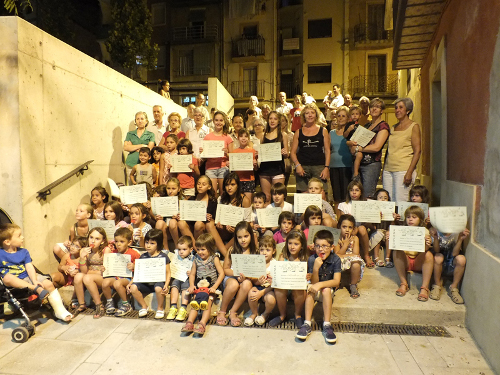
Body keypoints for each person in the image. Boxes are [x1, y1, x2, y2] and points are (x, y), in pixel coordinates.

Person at [0, 224, 73, 321]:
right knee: (7, 277)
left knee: (48, 283)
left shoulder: (24, 252)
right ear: (7, 242)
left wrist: (34, 280)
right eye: (19, 236)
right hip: (13, 282)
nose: (22, 237)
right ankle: (35, 289)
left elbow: (29, 267)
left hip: (27, 277)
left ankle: (60, 311)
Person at [296, 229, 341, 343]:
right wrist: (315, 268)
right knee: (311, 289)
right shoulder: (312, 259)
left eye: (325, 246)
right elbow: (314, 283)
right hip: (315, 288)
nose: (321, 249)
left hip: (327, 290)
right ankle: (307, 324)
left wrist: (321, 284)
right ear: (314, 247)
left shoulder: (336, 259)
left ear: (331, 247)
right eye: (318, 246)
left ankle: (327, 325)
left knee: (326, 290)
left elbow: (336, 281)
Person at [181, 233, 224, 335]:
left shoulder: (214, 258)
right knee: (196, 302)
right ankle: (190, 322)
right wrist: (192, 285)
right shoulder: (196, 259)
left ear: (210, 248)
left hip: (210, 287)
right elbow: (192, 274)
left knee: (207, 303)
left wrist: (214, 287)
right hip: (199, 286)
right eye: (198, 249)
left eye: (203, 249)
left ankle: (202, 323)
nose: (200, 252)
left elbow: (221, 273)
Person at [387, 206, 433, 301]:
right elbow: (395, 245)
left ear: (420, 219)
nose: (410, 219)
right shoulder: (401, 230)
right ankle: (404, 283)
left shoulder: (424, 231)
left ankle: (424, 288)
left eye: (414, 217)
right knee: (396, 251)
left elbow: (424, 250)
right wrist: (390, 238)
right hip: (405, 261)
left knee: (429, 254)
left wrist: (427, 244)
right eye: (408, 217)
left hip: (418, 261)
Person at [217, 221, 258, 327]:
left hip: (247, 279)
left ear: (251, 236)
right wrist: (236, 274)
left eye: (246, 236)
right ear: (236, 238)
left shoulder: (255, 251)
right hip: (231, 277)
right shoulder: (232, 250)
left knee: (247, 283)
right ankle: (222, 310)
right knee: (234, 284)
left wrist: (247, 276)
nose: (243, 240)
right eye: (240, 237)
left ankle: (233, 312)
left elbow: (256, 272)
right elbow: (226, 269)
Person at [348, 98, 389, 198]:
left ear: (382, 110)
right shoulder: (367, 125)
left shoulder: (383, 126)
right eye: (372, 106)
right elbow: (354, 142)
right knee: (356, 196)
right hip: (358, 163)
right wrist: (353, 147)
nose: (374, 109)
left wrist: (359, 148)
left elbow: (376, 147)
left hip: (371, 165)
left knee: (367, 195)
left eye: (377, 107)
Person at [383, 98, 422, 203]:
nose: (397, 110)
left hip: (403, 170)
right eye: (396, 108)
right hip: (388, 169)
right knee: (387, 203)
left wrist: (409, 172)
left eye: (401, 107)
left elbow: (417, 151)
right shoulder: (393, 127)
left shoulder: (414, 127)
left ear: (408, 110)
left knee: (401, 202)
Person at [127, 229, 171, 319]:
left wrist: (166, 285)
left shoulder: (163, 257)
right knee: (134, 288)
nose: (148, 246)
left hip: (158, 282)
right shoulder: (143, 256)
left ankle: (160, 308)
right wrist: (131, 283)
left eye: (152, 243)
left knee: (159, 288)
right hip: (145, 283)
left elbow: (168, 273)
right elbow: (139, 273)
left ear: (158, 244)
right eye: (147, 242)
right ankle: (144, 306)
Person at [269, 230, 308, 327]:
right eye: (290, 243)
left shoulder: (304, 260)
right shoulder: (283, 257)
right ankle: (282, 315)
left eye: (296, 244)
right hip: (285, 287)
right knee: (278, 289)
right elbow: (278, 273)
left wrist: (308, 276)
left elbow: (308, 277)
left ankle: (297, 315)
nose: (292, 246)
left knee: (301, 290)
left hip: (297, 288)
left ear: (302, 246)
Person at [291, 103, 331, 193]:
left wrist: (326, 167)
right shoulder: (298, 132)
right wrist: (297, 165)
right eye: (307, 113)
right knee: (303, 194)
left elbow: (328, 151)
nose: (310, 115)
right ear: (303, 116)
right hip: (303, 167)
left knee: (321, 193)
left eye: (312, 113)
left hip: (319, 167)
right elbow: (293, 152)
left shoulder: (323, 131)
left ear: (316, 115)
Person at [73, 227, 113, 318]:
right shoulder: (84, 251)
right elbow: (83, 271)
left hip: (103, 278)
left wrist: (90, 272)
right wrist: (82, 258)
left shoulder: (105, 250)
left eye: (97, 239)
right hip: (90, 277)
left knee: (87, 277)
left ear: (102, 241)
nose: (93, 241)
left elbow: (106, 272)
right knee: (78, 276)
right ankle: (81, 304)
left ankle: (99, 305)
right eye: (91, 237)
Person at [102, 228, 141, 317]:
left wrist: (134, 266)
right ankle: (109, 302)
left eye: (122, 242)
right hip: (116, 276)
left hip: (128, 278)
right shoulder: (113, 253)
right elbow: (109, 267)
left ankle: (126, 304)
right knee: (105, 282)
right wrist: (104, 268)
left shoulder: (134, 253)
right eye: (116, 241)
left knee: (117, 283)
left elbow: (140, 269)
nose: (118, 244)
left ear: (129, 242)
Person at [337, 180, 373, 268]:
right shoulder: (343, 205)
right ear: (348, 192)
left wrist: (374, 215)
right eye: (351, 190)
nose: (354, 193)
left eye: (357, 190)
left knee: (361, 228)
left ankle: (366, 255)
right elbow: (341, 222)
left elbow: (369, 224)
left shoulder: (367, 203)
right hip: (348, 230)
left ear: (361, 192)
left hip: (362, 229)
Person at [429, 228, 469, 304]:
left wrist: (460, 239)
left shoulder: (456, 233)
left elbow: (455, 254)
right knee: (438, 257)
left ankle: (454, 287)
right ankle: (437, 284)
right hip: (439, 262)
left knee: (461, 259)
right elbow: (437, 250)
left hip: (451, 261)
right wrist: (435, 238)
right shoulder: (435, 231)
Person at [245, 235, 277, 326]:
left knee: (271, 299)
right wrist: (258, 281)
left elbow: (274, 284)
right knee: (251, 293)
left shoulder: (275, 264)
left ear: (273, 251)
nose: (264, 253)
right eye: (262, 250)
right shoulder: (257, 262)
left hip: (269, 289)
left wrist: (261, 293)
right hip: (258, 286)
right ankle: (254, 313)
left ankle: (266, 314)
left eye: (268, 250)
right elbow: (254, 281)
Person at [258, 111, 288, 203]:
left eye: (275, 119)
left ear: (278, 121)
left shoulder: (283, 135)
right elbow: (261, 152)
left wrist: (285, 152)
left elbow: (287, 154)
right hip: (264, 170)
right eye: (270, 118)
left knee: (277, 197)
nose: (272, 121)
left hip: (278, 169)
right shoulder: (263, 135)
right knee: (266, 198)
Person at [201, 111, 233, 197]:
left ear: (224, 122)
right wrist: (202, 153)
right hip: (210, 168)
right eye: (216, 120)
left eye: (221, 120)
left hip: (223, 168)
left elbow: (232, 157)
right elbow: (204, 158)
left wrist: (227, 153)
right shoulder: (208, 137)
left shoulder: (228, 137)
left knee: (224, 193)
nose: (218, 122)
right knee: (213, 194)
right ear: (213, 121)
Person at [335, 214, 365, 299]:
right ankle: (335, 284)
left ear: (354, 228)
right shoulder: (337, 238)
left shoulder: (355, 238)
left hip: (351, 261)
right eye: (344, 227)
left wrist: (343, 254)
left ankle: (353, 285)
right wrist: (345, 245)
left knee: (356, 263)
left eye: (350, 227)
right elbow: (337, 254)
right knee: (335, 260)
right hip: (340, 261)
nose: (347, 230)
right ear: (339, 227)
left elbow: (355, 254)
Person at [166, 236, 194, 321]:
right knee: (174, 287)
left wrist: (192, 272)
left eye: (184, 249)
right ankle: (173, 307)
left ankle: (183, 308)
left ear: (191, 249)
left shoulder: (193, 258)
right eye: (179, 249)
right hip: (177, 276)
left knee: (185, 288)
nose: (181, 252)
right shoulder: (176, 257)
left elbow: (196, 269)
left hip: (186, 278)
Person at [329, 106, 353, 203]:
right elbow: (328, 149)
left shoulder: (351, 132)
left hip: (347, 166)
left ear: (348, 118)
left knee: (346, 196)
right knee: (337, 196)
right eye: (339, 116)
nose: (340, 118)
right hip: (334, 166)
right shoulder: (331, 133)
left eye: (343, 116)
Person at [124, 111, 155, 184]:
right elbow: (126, 147)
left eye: (142, 119)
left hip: (145, 165)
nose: (140, 121)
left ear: (146, 121)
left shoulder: (150, 135)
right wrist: (142, 145)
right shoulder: (130, 134)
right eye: (137, 119)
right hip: (131, 163)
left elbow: (149, 149)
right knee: (131, 186)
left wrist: (132, 147)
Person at [230, 128, 258, 202]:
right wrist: (229, 164)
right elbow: (232, 169)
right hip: (237, 180)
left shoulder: (253, 151)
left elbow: (256, 169)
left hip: (249, 180)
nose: (243, 138)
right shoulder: (234, 152)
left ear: (248, 139)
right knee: (237, 202)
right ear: (238, 138)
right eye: (241, 136)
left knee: (247, 202)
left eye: (246, 136)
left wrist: (255, 164)